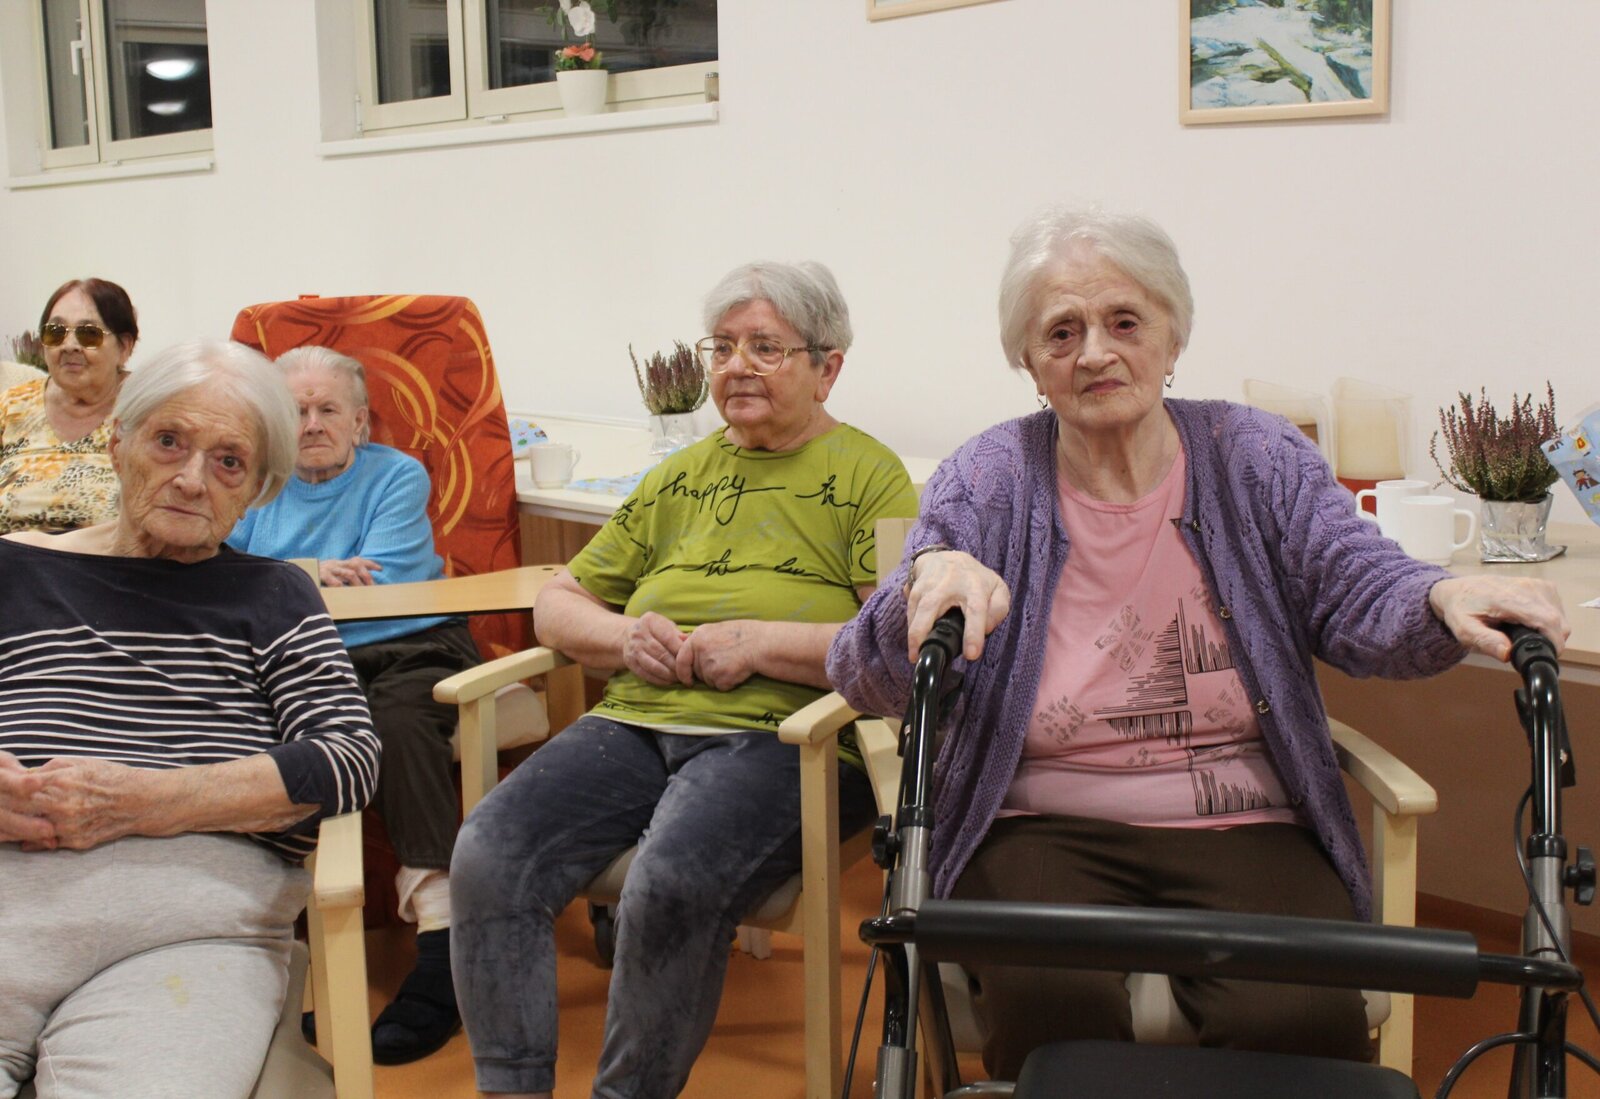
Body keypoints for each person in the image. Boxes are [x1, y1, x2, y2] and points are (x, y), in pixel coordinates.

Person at [826, 205, 1570, 1079]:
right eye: (1062, 331)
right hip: (1037, 820)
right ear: (1028, 359)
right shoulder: (989, 475)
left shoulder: (1252, 453)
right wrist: (923, 586)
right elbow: (867, 672)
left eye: (1125, 321)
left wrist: (1441, 593)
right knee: (1052, 1002)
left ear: (1173, 336)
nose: (1094, 353)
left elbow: (1354, 580)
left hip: (1244, 815)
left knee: (1298, 1011)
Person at [451, 261, 919, 1099]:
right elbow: (557, 602)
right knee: (489, 852)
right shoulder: (679, 474)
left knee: (670, 878)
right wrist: (624, 637)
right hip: (635, 719)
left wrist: (760, 644)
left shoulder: (869, 475)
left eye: (766, 347)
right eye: (724, 346)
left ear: (828, 368)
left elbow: (893, 643)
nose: (737, 366)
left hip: (782, 740)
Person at [0, 338, 380, 1099]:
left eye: (228, 461)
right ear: (118, 442)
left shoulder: (274, 595)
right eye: (169, 441)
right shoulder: (14, 569)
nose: (191, 478)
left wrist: (143, 802)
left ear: (258, 489)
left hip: (185, 940)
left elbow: (348, 756)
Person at [225, 344, 479, 1065]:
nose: (311, 423)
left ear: (360, 421)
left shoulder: (395, 474)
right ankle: (252, 957)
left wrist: (279, 580)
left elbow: (386, 584)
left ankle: (443, 953)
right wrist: (314, 572)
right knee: (240, 736)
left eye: (328, 409)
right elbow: (218, 575)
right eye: (296, 409)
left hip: (411, 644)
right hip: (299, 658)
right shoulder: (253, 486)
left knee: (395, 724)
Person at [0, 278, 139, 534]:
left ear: (124, 347)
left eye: (89, 334)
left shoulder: (147, 412)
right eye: (56, 332)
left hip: (104, 559)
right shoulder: (11, 407)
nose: (69, 345)